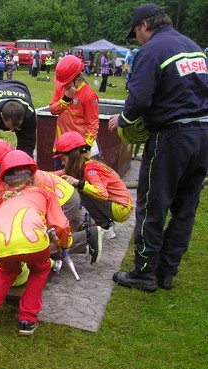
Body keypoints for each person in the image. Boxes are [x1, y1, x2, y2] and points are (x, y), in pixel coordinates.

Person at [107, 3, 208, 292]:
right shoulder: (193, 46)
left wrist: (123, 120)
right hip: (203, 133)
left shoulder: (152, 50)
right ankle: (166, 272)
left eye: (135, 32)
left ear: (145, 25)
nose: (136, 38)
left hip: (172, 136)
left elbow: (138, 99)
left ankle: (144, 272)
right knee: (186, 207)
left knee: (153, 203)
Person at [0, 150, 72, 336]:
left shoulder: (5, 196)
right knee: (40, 270)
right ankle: (27, 319)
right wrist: (65, 243)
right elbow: (61, 224)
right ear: (32, 175)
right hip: (34, 243)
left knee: (6, 272)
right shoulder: (44, 193)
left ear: (5, 180)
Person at [0, 139, 101, 264]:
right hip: (65, 194)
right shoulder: (14, 173)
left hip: (65, 202)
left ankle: (87, 238)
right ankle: (80, 223)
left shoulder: (15, 183)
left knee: (35, 245)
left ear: (1, 166)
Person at [53, 131, 133, 239]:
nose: (62, 163)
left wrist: (79, 183)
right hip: (117, 206)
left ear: (73, 157)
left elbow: (102, 193)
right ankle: (107, 225)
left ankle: (104, 227)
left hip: (121, 208)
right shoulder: (82, 166)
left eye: (64, 159)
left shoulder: (90, 169)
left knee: (81, 192)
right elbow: (55, 175)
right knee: (82, 189)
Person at [49, 54, 99, 169]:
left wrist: (86, 148)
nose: (63, 86)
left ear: (77, 79)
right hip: (60, 146)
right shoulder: (61, 88)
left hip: (76, 150)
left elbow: (92, 124)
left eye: (66, 83)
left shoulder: (89, 95)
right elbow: (52, 109)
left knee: (75, 182)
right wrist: (66, 98)